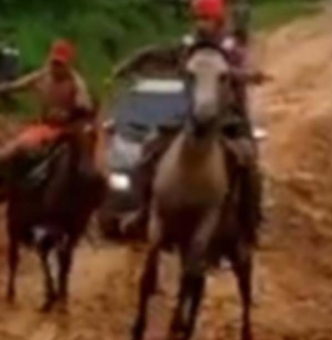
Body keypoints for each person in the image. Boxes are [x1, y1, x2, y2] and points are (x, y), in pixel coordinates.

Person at [121, 0, 265, 240]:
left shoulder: (231, 51)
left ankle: (249, 222)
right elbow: (158, 54)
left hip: (226, 119)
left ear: (218, 23)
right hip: (187, 115)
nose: (201, 25)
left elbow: (239, 74)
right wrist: (131, 63)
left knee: (249, 165)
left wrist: (245, 78)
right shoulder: (187, 47)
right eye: (198, 19)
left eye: (206, 19)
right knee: (148, 152)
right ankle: (143, 209)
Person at [0, 39, 96, 183]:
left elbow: (85, 104)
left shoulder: (75, 82)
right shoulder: (43, 75)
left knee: (14, 148)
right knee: (9, 142)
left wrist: (76, 108)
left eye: (60, 64)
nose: (56, 67)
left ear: (68, 65)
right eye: (54, 63)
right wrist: (5, 88)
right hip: (43, 125)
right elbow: (19, 85)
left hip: (65, 128)